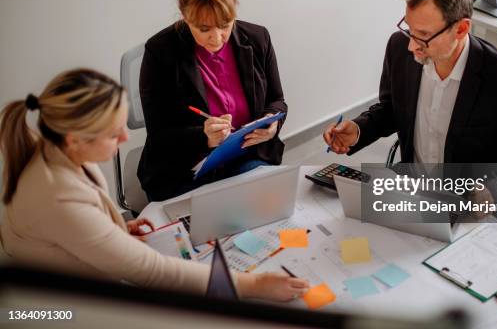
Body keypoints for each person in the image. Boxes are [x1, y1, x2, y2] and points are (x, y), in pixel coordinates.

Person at [0, 68, 307, 300]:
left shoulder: (57, 149)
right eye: (113, 134)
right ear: (75, 139)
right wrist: (255, 285)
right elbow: (151, 271)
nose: (124, 140)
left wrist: (113, 229)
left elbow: (79, 219)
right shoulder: (56, 198)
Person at [324, 0, 497, 205]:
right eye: (409, 29)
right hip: (413, 188)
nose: (412, 45)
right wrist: (358, 130)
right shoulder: (399, 49)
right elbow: (391, 109)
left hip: (468, 201)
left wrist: (491, 192)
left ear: (461, 29)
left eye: (424, 35)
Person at [138, 0, 287, 201]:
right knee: (207, 233)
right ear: (185, 17)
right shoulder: (160, 52)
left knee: (267, 217)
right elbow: (159, 136)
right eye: (204, 29)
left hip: (245, 159)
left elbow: (277, 99)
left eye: (225, 24)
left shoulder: (258, 38)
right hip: (184, 172)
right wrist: (202, 137)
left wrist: (273, 122)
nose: (217, 39)